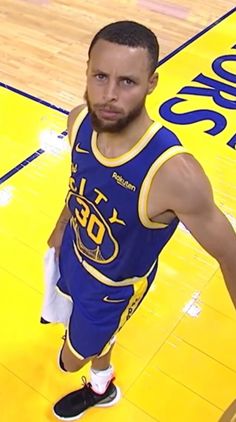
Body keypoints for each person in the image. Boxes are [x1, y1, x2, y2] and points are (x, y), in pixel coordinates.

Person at [47, 20, 236, 421]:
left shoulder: (174, 174)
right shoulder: (79, 119)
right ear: (86, 70)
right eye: (100, 76)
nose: (109, 95)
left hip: (112, 289)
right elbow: (79, 179)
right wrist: (61, 224)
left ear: (152, 83)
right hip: (74, 252)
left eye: (128, 82)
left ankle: (97, 375)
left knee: (68, 359)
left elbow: (231, 254)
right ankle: (102, 385)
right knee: (84, 334)